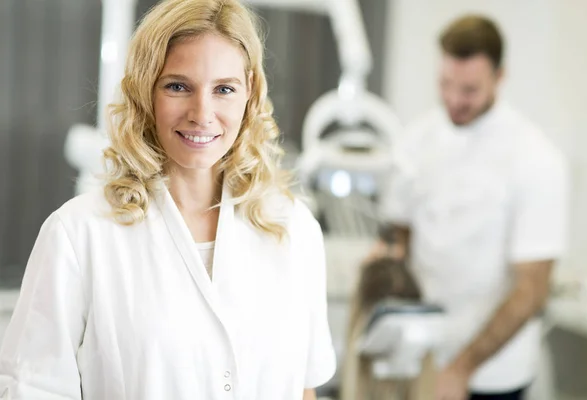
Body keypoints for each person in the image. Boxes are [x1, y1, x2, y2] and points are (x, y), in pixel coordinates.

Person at [0, 0, 336, 399]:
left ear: (249, 92)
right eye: (178, 86)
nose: (202, 113)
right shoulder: (78, 234)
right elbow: (33, 389)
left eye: (224, 89)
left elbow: (302, 389)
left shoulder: (295, 229)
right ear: (146, 90)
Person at [372, 15, 568, 400]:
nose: (455, 100)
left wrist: (462, 369)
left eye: (470, 89)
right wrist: (387, 260)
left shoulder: (535, 158)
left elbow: (532, 290)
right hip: (420, 355)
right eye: (445, 84)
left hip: (493, 372)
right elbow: (401, 233)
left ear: (500, 76)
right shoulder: (417, 140)